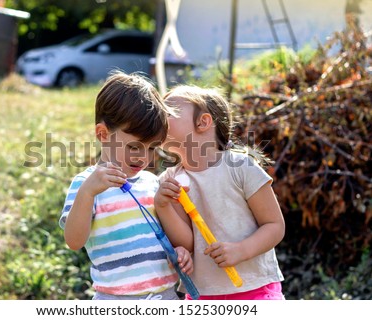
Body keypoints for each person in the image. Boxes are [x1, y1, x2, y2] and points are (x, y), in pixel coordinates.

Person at [59, 71, 193, 300]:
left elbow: (167, 236)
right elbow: (74, 241)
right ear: (103, 134)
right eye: (134, 147)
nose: (143, 158)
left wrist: (179, 252)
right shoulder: (86, 185)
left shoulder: (152, 184)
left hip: (166, 296)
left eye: (152, 148)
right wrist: (87, 193)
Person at [155, 85, 285, 300]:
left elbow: (274, 226)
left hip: (255, 290)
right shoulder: (168, 182)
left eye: (167, 112)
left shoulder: (242, 167)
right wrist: (163, 206)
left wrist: (241, 250)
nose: (157, 118)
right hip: (201, 295)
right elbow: (187, 244)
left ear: (203, 122)